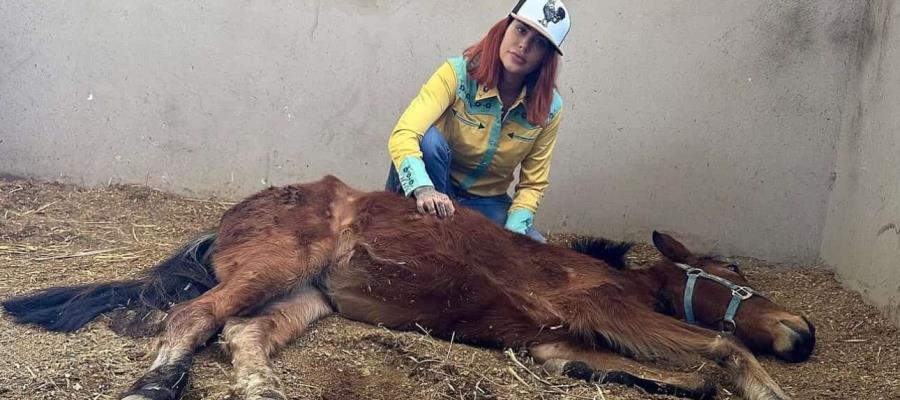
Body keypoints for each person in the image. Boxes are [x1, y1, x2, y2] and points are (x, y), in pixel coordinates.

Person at [385, 0, 571, 243]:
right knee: (428, 141)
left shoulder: (549, 108)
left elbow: (532, 184)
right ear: (505, 27)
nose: (524, 45)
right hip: (436, 183)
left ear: (546, 57)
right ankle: (414, 218)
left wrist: (513, 237)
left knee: (536, 252)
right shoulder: (457, 74)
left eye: (539, 43)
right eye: (521, 30)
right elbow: (404, 133)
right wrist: (424, 189)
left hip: (487, 202)